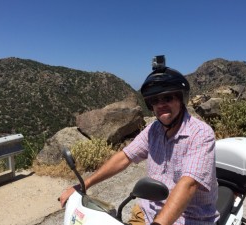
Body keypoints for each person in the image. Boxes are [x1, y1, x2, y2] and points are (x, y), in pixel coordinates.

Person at [59, 56, 219, 225]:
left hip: (189, 218)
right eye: (155, 100)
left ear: (181, 99)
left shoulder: (200, 134)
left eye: (168, 98)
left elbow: (188, 184)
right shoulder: (153, 130)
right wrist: (84, 185)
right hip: (148, 212)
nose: (161, 104)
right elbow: (125, 157)